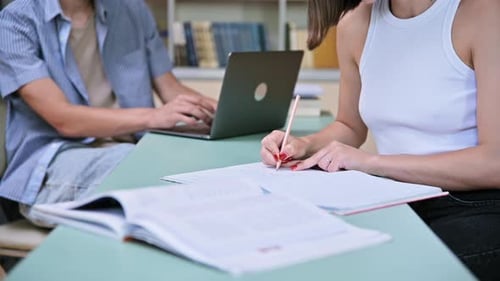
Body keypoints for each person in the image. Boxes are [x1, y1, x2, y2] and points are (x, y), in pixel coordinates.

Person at [261, 0, 500, 280]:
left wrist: (373, 163)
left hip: (474, 204)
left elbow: (493, 163)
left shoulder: (483, 12)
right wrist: (304, 145)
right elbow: (349, 126)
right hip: (395, 200)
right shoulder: (355, 23)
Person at [0, 0, 217, 227]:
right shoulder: (14, 22)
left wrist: (220, 110)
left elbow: (171, 89)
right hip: (53, 166)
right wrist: (155, 116)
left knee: (197, 158)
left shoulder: (132, 9)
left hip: (131, 151)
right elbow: (64, 119)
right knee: (149, 166)